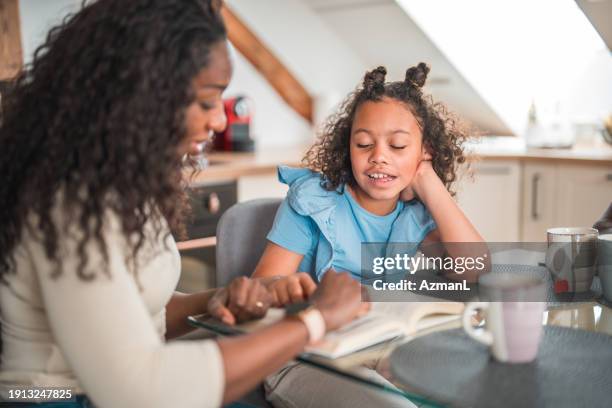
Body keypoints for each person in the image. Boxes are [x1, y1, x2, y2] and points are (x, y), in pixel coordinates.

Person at [0, 1, 367, 407]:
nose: (221, 122)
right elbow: (139, 391)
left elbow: (136, 315)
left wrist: (215, 298)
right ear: (142, 93)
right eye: (208, 102)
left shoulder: (119, 182)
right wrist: (314, 321)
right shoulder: (69, 203)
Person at [252, 64, 485, 407]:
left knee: (483, 385)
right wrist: (299, 295)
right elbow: (262, 285)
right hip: (303, 354)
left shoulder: (415, 212)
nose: (379, 156)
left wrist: (428, 182)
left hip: (379, 346)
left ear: (425, 152)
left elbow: (474, 268)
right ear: (348, 147)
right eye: (364, 144)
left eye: (398, 146)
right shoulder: (315, 201)